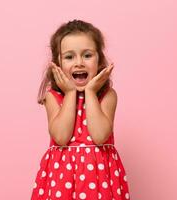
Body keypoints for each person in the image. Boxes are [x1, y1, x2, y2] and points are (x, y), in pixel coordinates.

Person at [31, 19, 130, 200]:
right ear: (57, 64)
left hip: (100, 181)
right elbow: (61, 138)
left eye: (87, 55)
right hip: (62, 179)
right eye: (69, 57)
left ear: (99, 60)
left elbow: (100, 136)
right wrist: (70, 93)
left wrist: (91, 92)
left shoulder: (107, 96)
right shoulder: (52, 97)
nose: (79, 63)